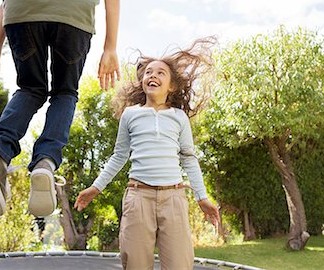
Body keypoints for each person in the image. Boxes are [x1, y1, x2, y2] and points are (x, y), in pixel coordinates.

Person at [0, 0, 120, 218]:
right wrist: (110, 47)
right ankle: (45, 163)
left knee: (30, 88)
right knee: (65, 92)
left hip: (22, 11)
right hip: (73, 13)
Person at [74, 38, 221, 270]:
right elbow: (119, 156)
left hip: (173, 198)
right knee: (135, 265)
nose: (153, 75)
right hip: (138, 197)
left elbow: (188, 158)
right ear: (143, 82)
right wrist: (96, 187)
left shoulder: (178, 117)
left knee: (180, 265)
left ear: (171, 86)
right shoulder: (130, 115)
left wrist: (202, 197)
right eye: (149, 72)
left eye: (161, 73)